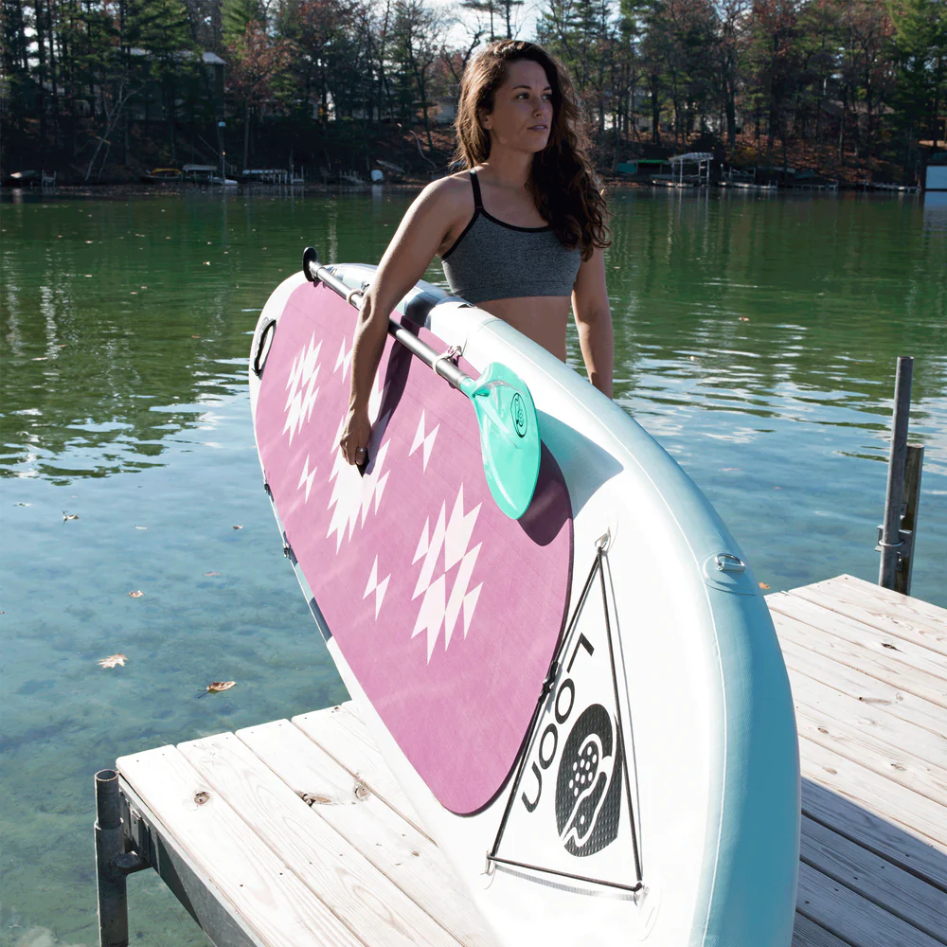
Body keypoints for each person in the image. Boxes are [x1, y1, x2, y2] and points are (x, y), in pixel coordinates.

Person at [340, 39, 613, 467]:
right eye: (522, 97)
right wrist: (358, 409)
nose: (541, 110)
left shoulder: (574, 199)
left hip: (558, 411)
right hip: (486, 414)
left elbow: (593, 313)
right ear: (485, 114)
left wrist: (604, 408)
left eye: (546, 97)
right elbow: (377, 303)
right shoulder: (452, 199)